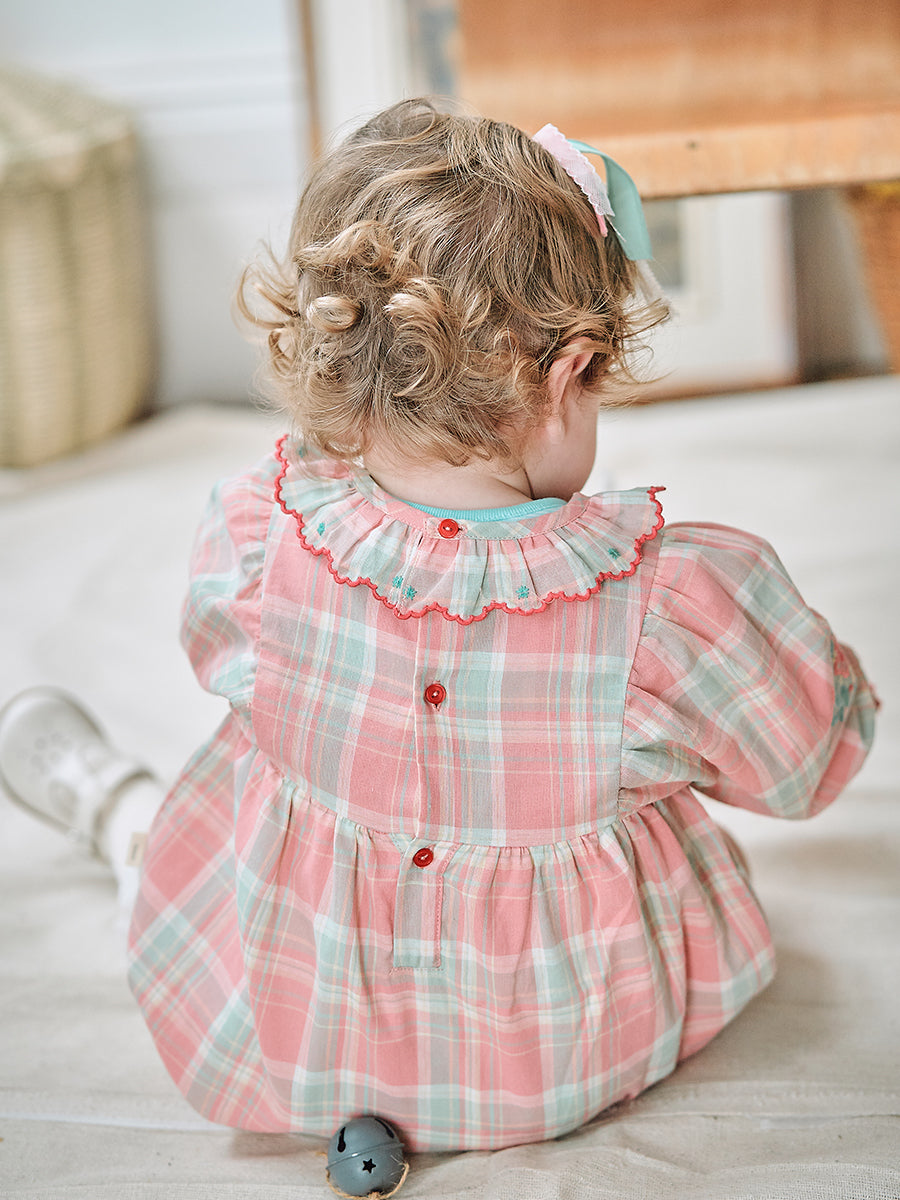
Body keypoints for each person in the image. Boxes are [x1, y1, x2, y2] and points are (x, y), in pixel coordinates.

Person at [0, 98, 877, 1154]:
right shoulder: (665, 610)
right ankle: (118, 810)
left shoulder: (264, 535)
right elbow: (811, 765)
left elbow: (216, 657)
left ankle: (118, 811)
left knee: (190, 857)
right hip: (562, 1058)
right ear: (570, 373)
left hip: (299, 1022)